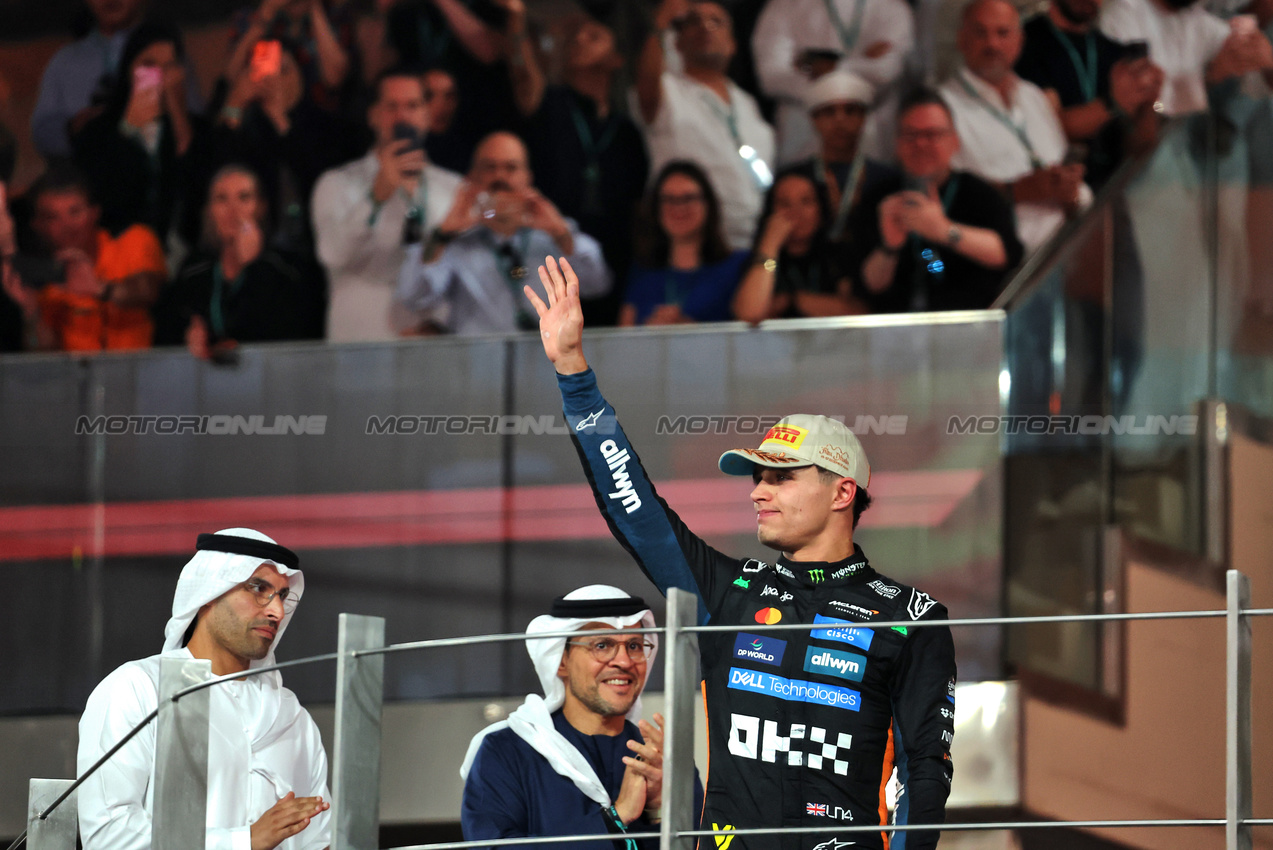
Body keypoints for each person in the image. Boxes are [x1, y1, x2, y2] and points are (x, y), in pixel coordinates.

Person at [523, 256, 957, 849]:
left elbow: (923, 772)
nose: (757, 491)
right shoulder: (728, 592)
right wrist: (575, 374)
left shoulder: (912, 615)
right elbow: (637, 514)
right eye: (755, 478)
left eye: (779, 478)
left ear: (843, 492)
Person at [77, 528, 331, 849]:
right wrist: (245, 842)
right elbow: (108, 836)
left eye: (282, 595)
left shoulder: (292, 716)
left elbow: (318, 840)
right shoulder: (139, 689)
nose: (276, 611)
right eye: (258, 589)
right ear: (210, 592)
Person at [460, 584, 691, 848]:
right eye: (602, 645)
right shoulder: (506, 752)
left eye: (635, 645)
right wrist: (615, 818)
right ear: (561, 661)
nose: (625, 662)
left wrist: (659, 809)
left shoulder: (661, 757)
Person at [506, 3, 650, 323]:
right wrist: (515, 18)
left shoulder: (627, 132)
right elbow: (522, 73)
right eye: (574, 38)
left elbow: (639, 211)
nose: (580, 40)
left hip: (612, 262)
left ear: (617, 59)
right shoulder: (551, 103)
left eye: (594, 35)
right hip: (550, 254)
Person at [395, 131, 609, 334]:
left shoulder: (553, 235)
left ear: (527, 178)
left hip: (544, 365)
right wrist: (442, 235)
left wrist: (560, 232)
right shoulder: (453, 241)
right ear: (471, 179)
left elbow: (596, 283)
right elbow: (414, 297)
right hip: (476, 366)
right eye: (489, 167)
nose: (500, 176)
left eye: (511, 168)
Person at [311, 68, 463, 341]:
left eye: (412, 106)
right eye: (391, 107)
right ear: (373, 116)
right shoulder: (336, 184)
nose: (402, 117)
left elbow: (466, 271)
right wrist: (376, 195)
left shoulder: (454, 189)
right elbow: (331, 254)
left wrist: (440, 324)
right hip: (360, 347)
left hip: (432, 353)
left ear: (427, 116)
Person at [850, 89, 1024, 313]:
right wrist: (889, 248)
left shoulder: (979, 193)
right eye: (911, 135)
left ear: (954, 141)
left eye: (932, 134)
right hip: (896, 329)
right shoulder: (879, 197)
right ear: (897, 143)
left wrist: (944, 230)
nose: (921, 144)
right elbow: (868, 284)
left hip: (969, 324)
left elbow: (1005, 254)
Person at [939, 0, 1091, 252]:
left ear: (1019, 41)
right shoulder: (943, 107)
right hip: (1007, 267)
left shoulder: (1033, 96)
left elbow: (1062, 168)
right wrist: (1016, 191)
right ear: (961, 40)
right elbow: (942, 195)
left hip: (1070, 246)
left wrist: (1067, 191)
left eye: (1003, 33)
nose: (992, 44)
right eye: (980, 33)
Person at [634, 0, 776, 251]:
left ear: (732, 44)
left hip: (749, 243)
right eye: (693, 22)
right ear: (676, 43)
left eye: (716, 22)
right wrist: (661, 21)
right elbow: (646, 83)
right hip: (690, 247)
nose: (705, 27)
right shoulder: (667, 91)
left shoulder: (747, 103)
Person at [153, 165, 326, 357]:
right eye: (221, 199)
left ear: (261, 207)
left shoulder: (286, 270)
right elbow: (165, 332)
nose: (232, 210)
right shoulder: (193, 271)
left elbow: (290, 333)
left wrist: (254, 268)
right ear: (210, 210)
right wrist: (188, 334)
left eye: (244, 197)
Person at [209, 39, 364, 253]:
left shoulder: (329, 125)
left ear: (302, 75)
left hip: (318, 248)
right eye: (263, 70)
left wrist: (280, 120)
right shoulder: (247, 129)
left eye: (283, 70)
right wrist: (235, 103)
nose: (273, 80)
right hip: (257, 250)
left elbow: (321, 180)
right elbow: (217, 173)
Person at [70, 20, 207, 248]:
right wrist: (127, 131)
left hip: (180, 254)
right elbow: (96, 197)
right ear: (129, 68)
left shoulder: (195, 128)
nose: (160, 76)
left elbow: (197, 197)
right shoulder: (97, 132)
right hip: (119, 252)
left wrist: (180, 122)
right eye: (149, 65)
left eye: (170, 66)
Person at [8, 167, 167, 352]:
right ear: (37, 225)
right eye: (52, 217)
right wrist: (32, 314)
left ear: (94, 212)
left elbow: (148, 291)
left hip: (140, 374)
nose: (67, 225)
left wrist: (100, 288)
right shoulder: (42, 279)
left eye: (75, 212)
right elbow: (40, 354)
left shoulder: (133, 240)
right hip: (75, 378)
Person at [1016, 0, 1165, 189]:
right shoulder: (1026, 42)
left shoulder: (1112, 51)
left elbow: (1141, 147)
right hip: (1056, 190)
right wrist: (1113, 103)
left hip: (1111, 190)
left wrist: (1148, 101)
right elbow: (1053, 128)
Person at [31, 0, 201, 160]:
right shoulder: (64, 61)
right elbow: (42, 132)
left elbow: (197, 124)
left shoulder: (167, 55)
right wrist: (73, 129)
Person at [752, 0, 914, 165]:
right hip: (802, 139)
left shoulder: (891, 7)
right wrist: (861, 62)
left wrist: (832, 67)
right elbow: (771, 77)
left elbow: (886, 71)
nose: (838, 119)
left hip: (872, 139)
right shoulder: (785, 6)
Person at [620, 161, 748, 326]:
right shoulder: (643, 270)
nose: (679, 208)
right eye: (669, 199)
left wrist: (688, 332)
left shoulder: (737, 265)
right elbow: (623, 341)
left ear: (708, 204)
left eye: (688, 198)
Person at [732, 168, 867, 323]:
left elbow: (856, 312)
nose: (796, 212)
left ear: (820, 208)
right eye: (784, 203)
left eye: (806, 201)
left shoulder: (839, 256)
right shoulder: (767, 262)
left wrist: (793, 300)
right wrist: (769, 246)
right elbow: (749, 313)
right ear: (770, 211)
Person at [1101, 0, 1273, 115]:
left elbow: (1258, 80)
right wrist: (1211, 75)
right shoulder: (1123, 15)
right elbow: (1153, 109)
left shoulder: (1197, 20)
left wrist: (1267, 61)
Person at [787, 71, 899, 245]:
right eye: (829, 112)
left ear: (863, 119)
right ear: (814, 120)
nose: (840, 120)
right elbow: (773, 250)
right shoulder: (792, 180)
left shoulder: (888, 180)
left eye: (850, 111)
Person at [225, 0, 355, 114]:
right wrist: (266, 12)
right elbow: (228, 80)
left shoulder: (334, 14)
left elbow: (335, 77)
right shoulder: (248, 16)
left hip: (317, 125)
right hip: (259, 123)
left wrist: (314, 7)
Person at [422, 68, 471, 174]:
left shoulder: (470, 152)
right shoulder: (399, 150)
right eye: (428, 96)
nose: (440, 105)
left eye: (449, 96)